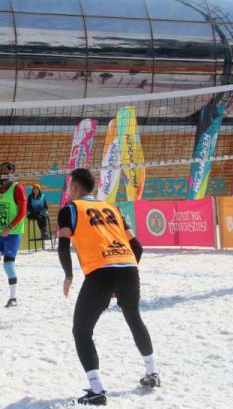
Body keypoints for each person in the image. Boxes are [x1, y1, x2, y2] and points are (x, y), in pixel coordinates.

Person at [57, 168, 160, 405]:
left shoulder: (70, 209)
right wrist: (124, 274)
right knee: (134, 318)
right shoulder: (113, 207)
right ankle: (152, 372)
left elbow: (63, 246)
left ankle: (97, 390)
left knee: (81, 330)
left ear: (74, 189)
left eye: (68, 188)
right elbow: (139, 248)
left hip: (100, 273)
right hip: (128, 268)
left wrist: (68, 276)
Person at [0, 162, 26, 308]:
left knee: (8, 265)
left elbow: (22, 212)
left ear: (12, 172)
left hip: (12, 234)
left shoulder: (17, 188)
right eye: (0, 171)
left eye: (5, 171)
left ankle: (13, 298)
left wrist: (10, 226)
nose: (2, 173)